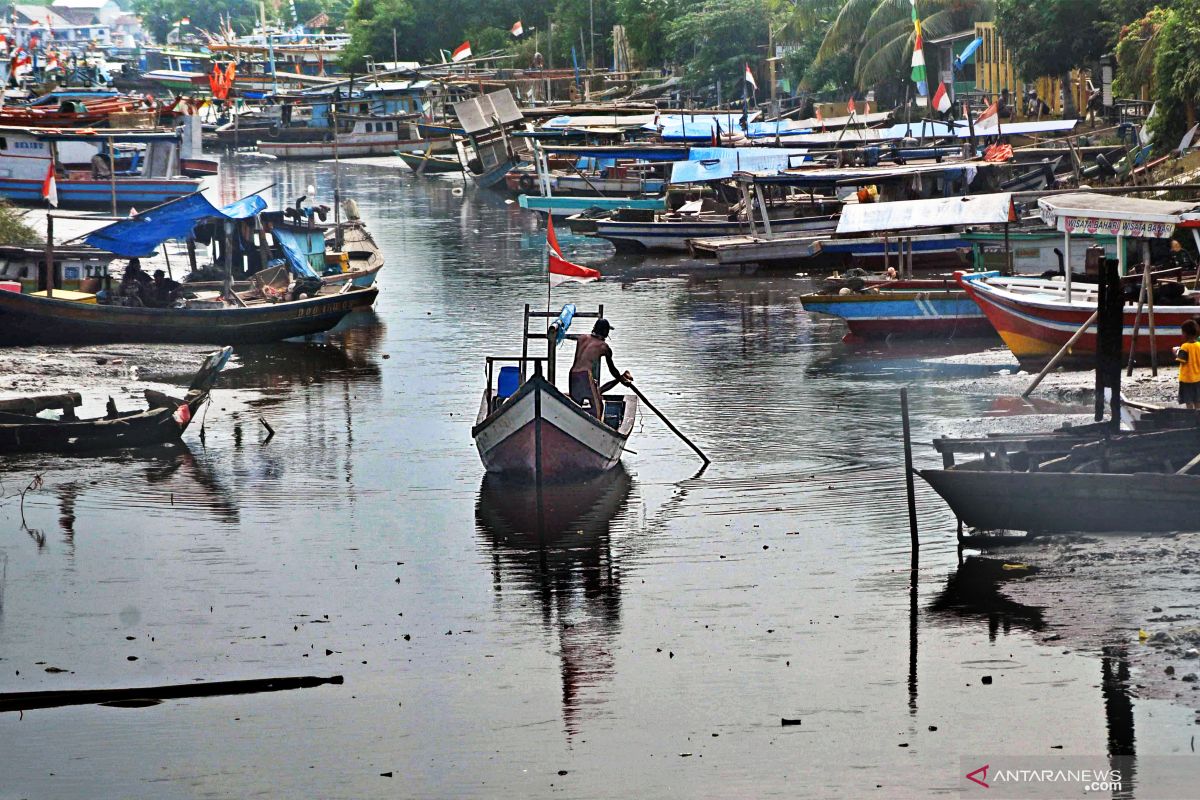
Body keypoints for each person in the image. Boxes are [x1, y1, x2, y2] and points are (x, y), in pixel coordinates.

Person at [569, 319, 632, 420]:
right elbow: (613, 370)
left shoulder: (582, 338)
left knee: (575, 407)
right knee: (598, 408)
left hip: (573, 374)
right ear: (606, 333)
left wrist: (620, 379)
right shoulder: (604, 347)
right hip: (585, 375)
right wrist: (621, 379)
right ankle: (596, 430)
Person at [1175, 319, 1200, 410]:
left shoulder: (1185, 346)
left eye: (1182, 333)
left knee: (1188, 401)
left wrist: (1176, 351)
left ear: (1186, 334)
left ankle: (1191, 417)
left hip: (1187, 380)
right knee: (1197, 401)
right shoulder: (1199, 345)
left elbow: (1182, 360)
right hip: (1198, 379)